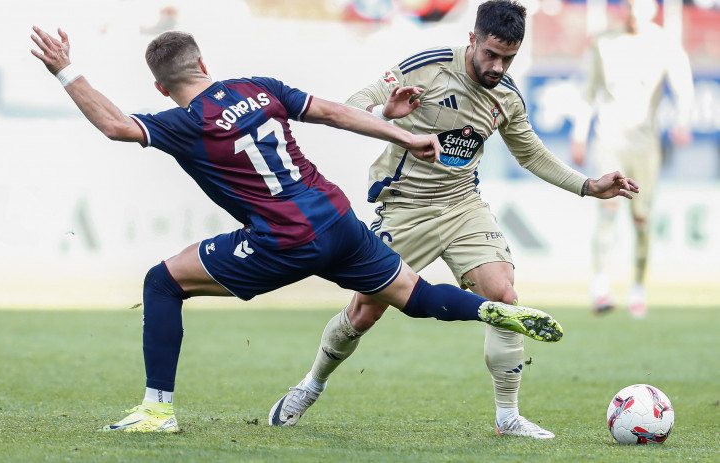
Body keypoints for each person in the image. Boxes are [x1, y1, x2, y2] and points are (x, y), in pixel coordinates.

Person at [30, 25, 568, 433]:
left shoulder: (185, 122)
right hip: (335, 216)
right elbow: (334, 113)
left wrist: (65, 70)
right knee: (415, 293)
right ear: (203, 63)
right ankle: (490, 309)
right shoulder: (258, 89)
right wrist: (402, 136)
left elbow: (115, 125)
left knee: (160, 282)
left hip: (282, 237)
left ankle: (156, 410)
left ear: (160, 84)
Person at [269, 0, 638, 439]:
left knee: (503, 295)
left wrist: (588, 186)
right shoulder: (426, 69)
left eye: (509, 58)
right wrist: (388, 114)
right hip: (405, 207)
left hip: (462, 206)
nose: (498, 66)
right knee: (364, 313)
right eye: (491, 54)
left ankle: (508, 416)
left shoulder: (506, 98)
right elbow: (354, 105)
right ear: (472, 39)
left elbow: (532, 153)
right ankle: (311, 384)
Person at [571, 0, 694, 317]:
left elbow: (683, 85)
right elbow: (588, 91)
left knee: (641, 220)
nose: (631, 12)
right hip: (609, 140)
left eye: (638, 6)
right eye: (627, 6)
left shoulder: (664, 43)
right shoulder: (603, 42)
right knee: (607, 210)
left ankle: (638, 288)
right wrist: (579, 135)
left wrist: (683, 120)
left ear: (652, 8)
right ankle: (600, 286)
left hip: (645, 144)